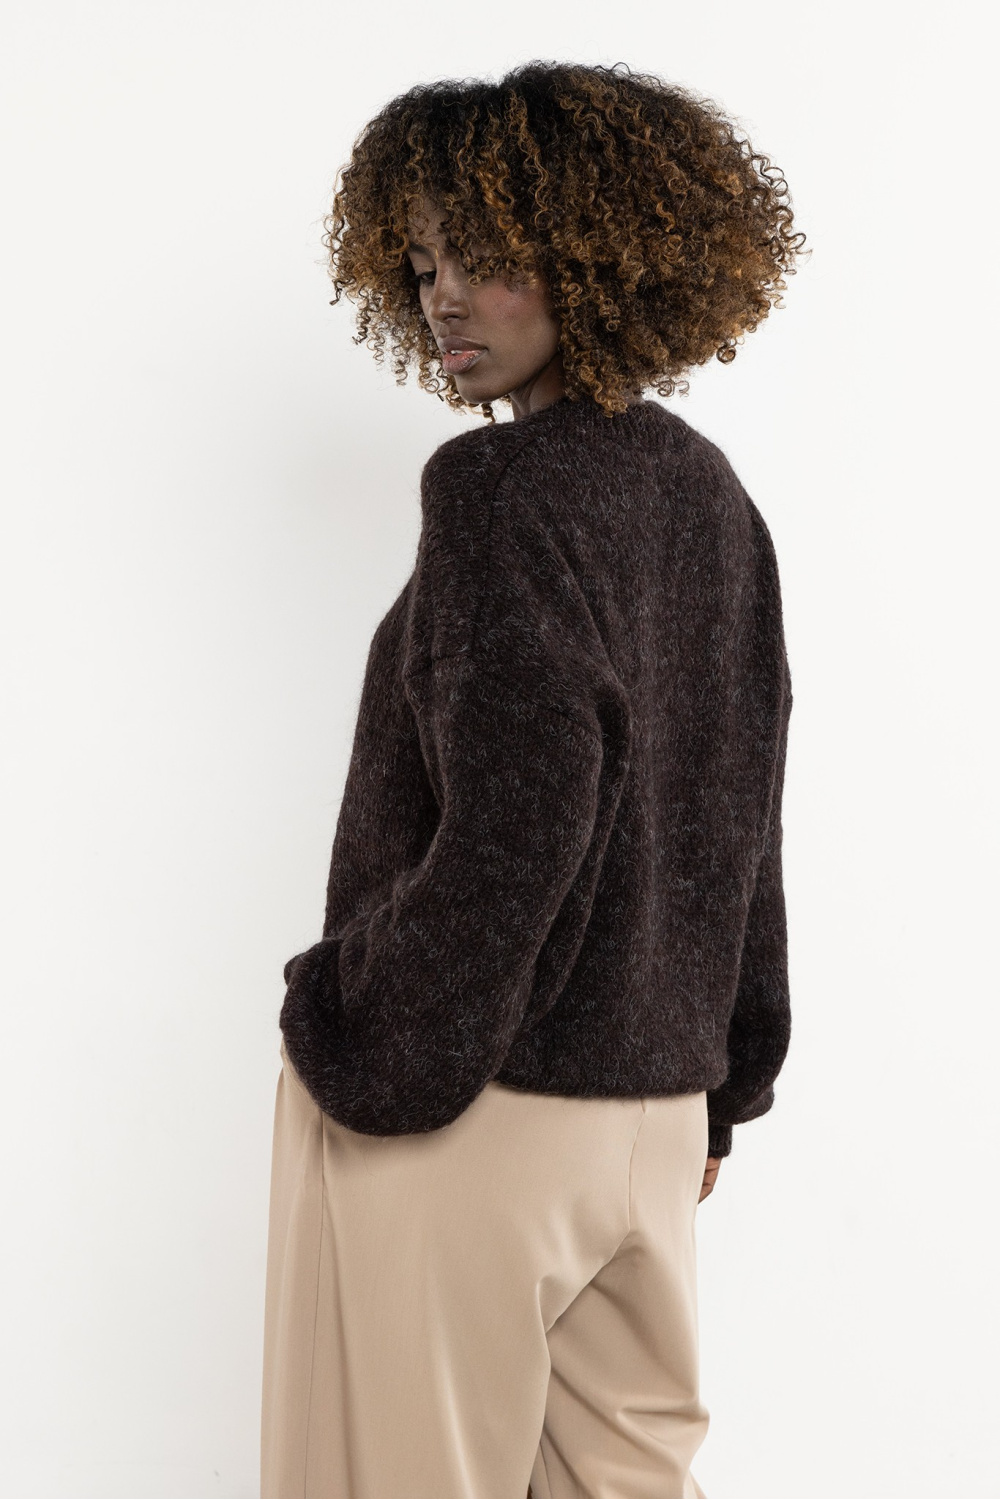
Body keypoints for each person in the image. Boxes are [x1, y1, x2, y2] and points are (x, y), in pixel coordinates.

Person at [261, 59, 805, 1500]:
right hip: (657, 1116)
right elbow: (744, 805)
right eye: (424, 262)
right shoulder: (712, 496)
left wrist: (372, 1035)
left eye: (486, 257)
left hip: (474, 1106)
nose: (444, 296)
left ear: (595, 254)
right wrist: (725, 1080)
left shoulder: (495, 491)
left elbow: (525, 814)